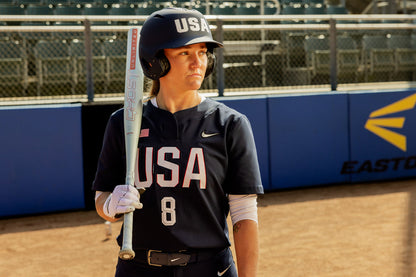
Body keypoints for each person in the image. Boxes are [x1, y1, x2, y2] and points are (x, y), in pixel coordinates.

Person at [93, 7, 264, 277]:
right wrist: (111, 205)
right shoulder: (124, 122)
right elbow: (101, 199)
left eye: (202, 52)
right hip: (137, 268)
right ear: (156, 62)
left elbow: (243, 213)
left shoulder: (230, 124)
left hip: (209, 269)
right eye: (185, 53)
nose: (198, 62)